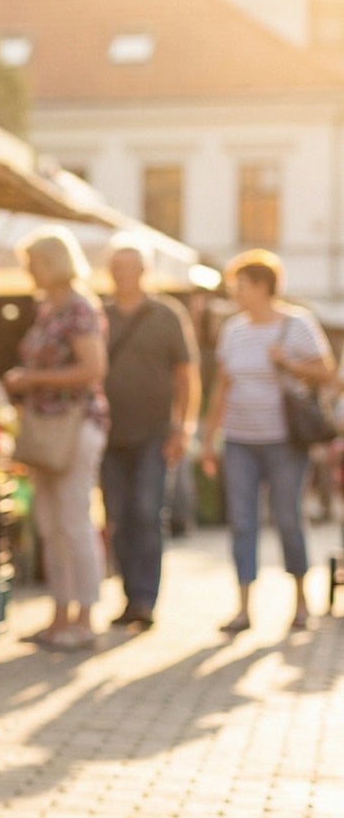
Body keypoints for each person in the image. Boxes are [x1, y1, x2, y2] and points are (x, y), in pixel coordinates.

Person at [200, 249, 335, 633]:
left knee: (289, 517)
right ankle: (243, 608)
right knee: (242, 522)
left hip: (284, 442)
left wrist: (287, 363)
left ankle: (300, 602)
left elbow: (326, 372)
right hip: (241, 440)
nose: (234, 293)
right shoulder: (233, 330)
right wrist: (210, 439)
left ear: (261, 287)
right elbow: (222, 387)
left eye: (239, 286)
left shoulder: (298, 324)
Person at [3, 227, 109, 649]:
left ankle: (85, 618)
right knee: (50, 524)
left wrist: (32, 378)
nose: (28, 271)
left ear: (51, 262)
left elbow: (93, 371)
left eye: (32, 263)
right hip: (46, 428)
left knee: (75, 521)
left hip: (75, 426)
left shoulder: (80, 309)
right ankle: (60, 616)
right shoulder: (50, 308)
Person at [99, 236, 201, 629]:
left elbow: (187, 376)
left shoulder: (167, 315)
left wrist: (184, 427)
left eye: (129, 268)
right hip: (109, 434)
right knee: (119, 517)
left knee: (146, 511)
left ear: (144, 272)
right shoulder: (101, 314)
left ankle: (145, 599)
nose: (122, 275)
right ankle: (129, 598)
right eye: (116, 268)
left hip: (155, 434)